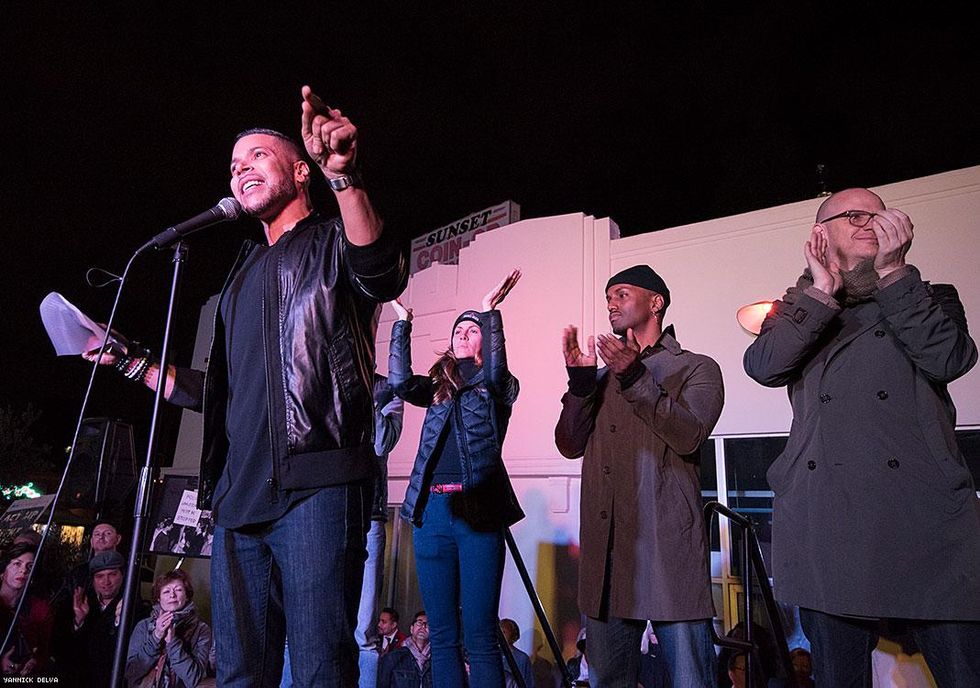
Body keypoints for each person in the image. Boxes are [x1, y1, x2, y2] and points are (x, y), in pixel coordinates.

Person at [84, 86, 407, 686]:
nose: (241, 169)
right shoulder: (239, 276)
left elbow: (381, 268)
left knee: (318, 669)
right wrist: (132, 364)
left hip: (318, 484)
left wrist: (347, 179)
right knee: (238, 673)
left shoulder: (334, 240)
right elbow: (217, 392)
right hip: (237, 502)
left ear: (301, 169)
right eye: (234, 165)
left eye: (257, 156)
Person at [743, 187, 980, 686]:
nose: (869, 221)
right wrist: (822, 291)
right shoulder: (799, 309)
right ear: (820, 235)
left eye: (879, 214)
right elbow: (763, 367)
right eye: (853, 215)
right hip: (826, 521)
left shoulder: (931, 297)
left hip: (926, 521)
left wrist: (895, 275)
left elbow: (949, 359)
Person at [555, 264, 724, 687]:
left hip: (667, 548)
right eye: (608, 296)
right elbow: (568, 444)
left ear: (656, 302)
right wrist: (579, 386)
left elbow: (688, 436)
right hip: (609, 553)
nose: (611, 303)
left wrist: (634, 377)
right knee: (608, 679)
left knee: (691, 679)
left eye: (622, 294)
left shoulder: (697, 367)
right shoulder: (598, 377)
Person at [389, 268, 524, 688]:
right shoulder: (436, 387)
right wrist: (402, 325)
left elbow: (498, 371)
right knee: (443, 636)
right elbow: (397, 383)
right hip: (431, 513)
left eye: (473, 329)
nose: (464, 334)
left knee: (479, 635)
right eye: (459, 329)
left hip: (478, 513)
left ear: (485, 337)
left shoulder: (498, 386)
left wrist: (489, 314)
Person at [356, 379, 404, 687]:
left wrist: (363, 397)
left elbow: (382, 442)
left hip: (369, 515)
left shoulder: (387, 389)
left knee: (364, 630)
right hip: (327, 513)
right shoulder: (326, 373)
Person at [126, 568, 212, 688]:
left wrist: (173, 643)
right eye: (166, 591)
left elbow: (193, 679)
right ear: (158, 598)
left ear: (187, 596)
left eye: (178, 590)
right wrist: (156, 637)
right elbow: (131, 673)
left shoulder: (201, 630)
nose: (172, 595)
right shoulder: (143, 626)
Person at [0, 543, 53, 677]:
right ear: (3, 570)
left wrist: (35, 661)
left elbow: (46, 649)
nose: (23, 571)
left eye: (29, 567)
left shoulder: (40, 609)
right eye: (17, 564)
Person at [377, 611, 432, 688]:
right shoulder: (393, 657)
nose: (423, 626)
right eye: (419, 623)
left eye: (427, 624)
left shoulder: (437, 660)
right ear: (411, 629)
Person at [500, 618, 535, 688]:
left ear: (513, 634)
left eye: (504, 632)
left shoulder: (522, 658)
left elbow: (528, 683)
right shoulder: (491, 655)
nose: (501, 636)